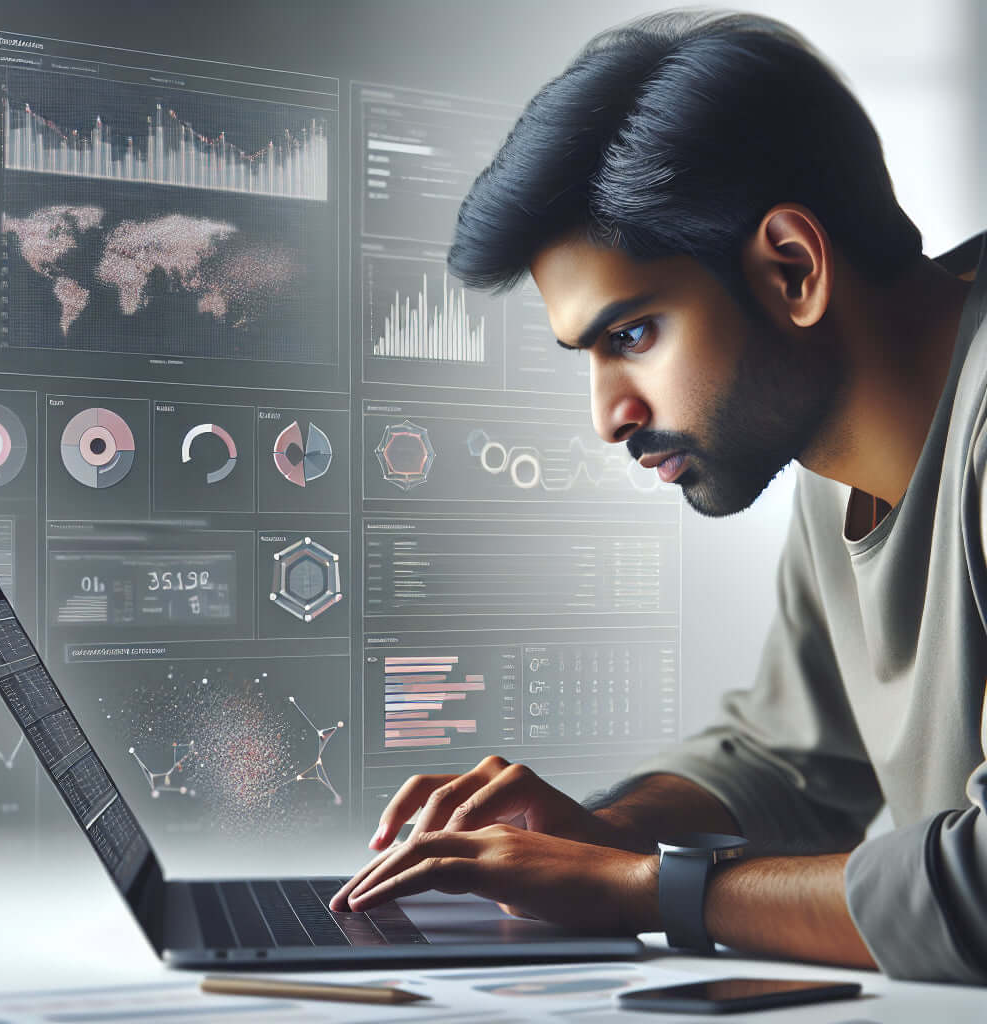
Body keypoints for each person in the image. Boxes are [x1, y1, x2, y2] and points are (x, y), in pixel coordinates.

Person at [330, 9, 987, 983]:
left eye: (631, 335)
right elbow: (790, 764)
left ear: (792, 269)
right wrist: (600, 836)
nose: (609, 417)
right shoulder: (833, 447)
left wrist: (647, 891)